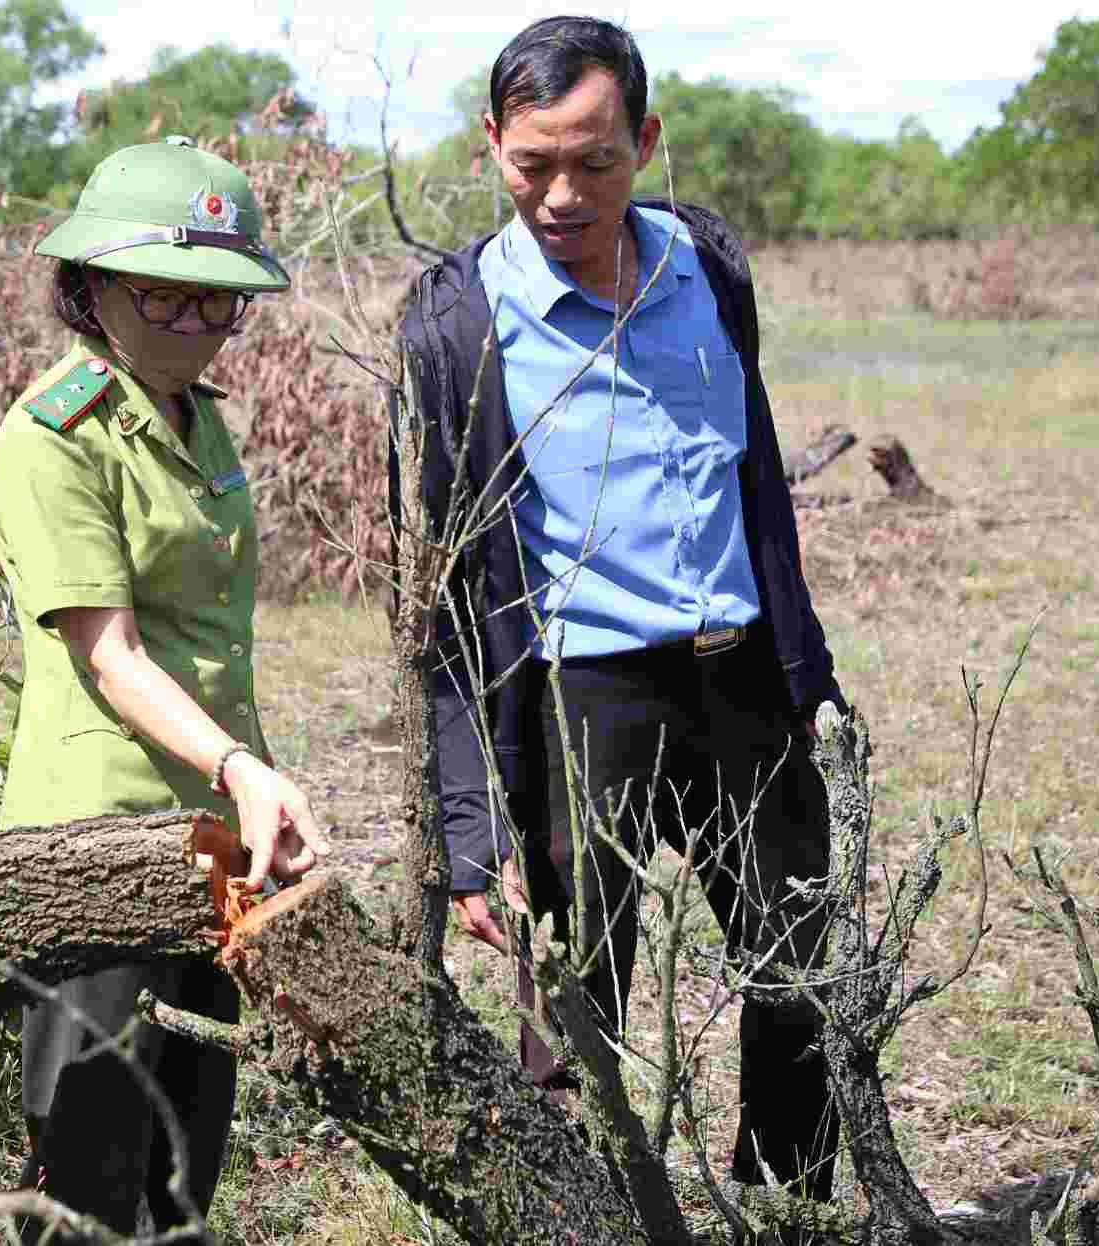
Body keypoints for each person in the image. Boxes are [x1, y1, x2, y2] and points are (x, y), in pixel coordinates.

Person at [397, 16, 847, 1201]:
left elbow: (751, 474)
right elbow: (445, 587)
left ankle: (783, 1207)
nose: (560, 194)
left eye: (593, 162)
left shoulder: (707, 262)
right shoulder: (454, 318)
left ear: (643, 144)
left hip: (741, 674)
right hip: (579, 696)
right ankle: (581, 1216)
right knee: (574, 995)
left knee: (797, 971)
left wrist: (807, 674)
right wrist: (466, 822)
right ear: (489, 142)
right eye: (530, 163)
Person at [0, 136, 330, 1239]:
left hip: (204, 837)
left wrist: (246, 796)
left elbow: (210, 641)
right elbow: (110, 654)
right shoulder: (54, 436)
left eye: (217, 306)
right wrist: (242, 767)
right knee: (87, 1174)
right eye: (162, 301)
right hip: (93, 843)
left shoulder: (196, 412)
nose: (191, 327)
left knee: (183, 1171)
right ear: (86, 288)